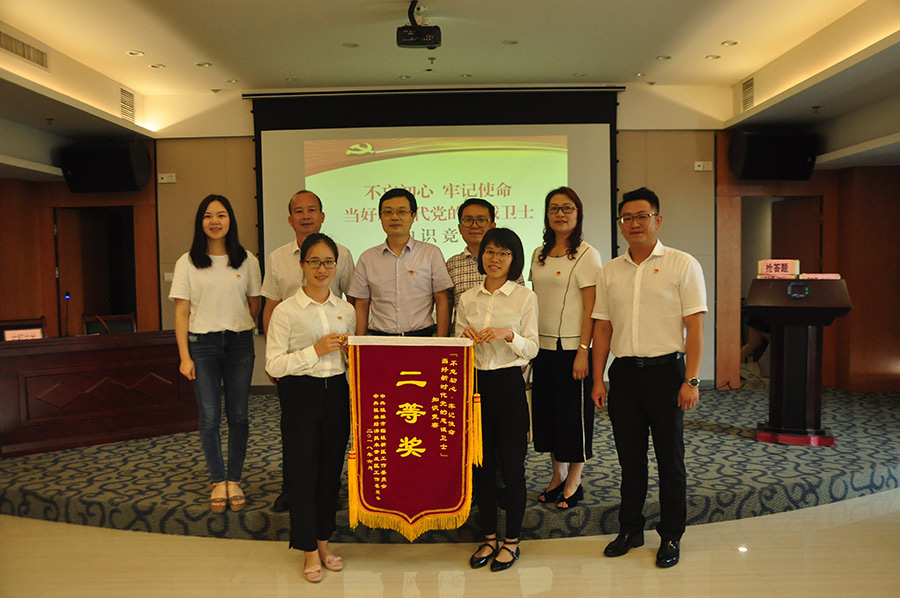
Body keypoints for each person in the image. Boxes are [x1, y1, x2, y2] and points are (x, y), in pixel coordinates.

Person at [590, 186, 707, 568]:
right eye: (627, 218)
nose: (635, 223)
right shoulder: (611, 271)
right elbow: (602, 328)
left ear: (658, 220)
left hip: (667, 374)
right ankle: (630, 528)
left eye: (642, 216)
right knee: (630, 460)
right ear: (620, 224)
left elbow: (696, 326)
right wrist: (598, 380)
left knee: (670, 460)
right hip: (624, 375)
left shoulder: (682, 264)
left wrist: (691, 380)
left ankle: (671, 534)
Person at [265, 233, 355, 584]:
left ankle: (324, 542)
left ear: (336, 266)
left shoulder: (345, 310)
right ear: (302, 265)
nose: (322, 269)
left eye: (328, 262)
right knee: (303, 474)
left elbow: (349, 362)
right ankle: (307, 550)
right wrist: (314, 351)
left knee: (330, 474)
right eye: (314, 262)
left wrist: (348, 355)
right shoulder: (286, 311)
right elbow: (274, 364)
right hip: (300, 394)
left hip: (337, 394)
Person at [260, 189, 354, 513]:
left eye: (312, 210)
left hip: (334, 373)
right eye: (299, 211)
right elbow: (270, 306)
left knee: (331, 446)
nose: (306, 216)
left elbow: (351, 300)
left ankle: (327, 494)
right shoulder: (278, 258)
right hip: (296, 366)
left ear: (322, 215)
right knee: (297, 441)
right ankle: (294, 491)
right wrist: (274, 357)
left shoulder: (343, 256)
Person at [170, 194, 261, 513]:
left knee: (238, 414)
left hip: (239, 345)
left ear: (230, 220)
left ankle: (234, 479)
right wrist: (184, 356)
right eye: (208, 216)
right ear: (200, 222)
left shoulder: (247, 260)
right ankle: (217, 480)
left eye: (221, 215)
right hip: (202, 345)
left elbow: (254, 304)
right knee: (209, 416)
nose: (215, 221)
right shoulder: (187, 262)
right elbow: (181, 312)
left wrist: (236, 324)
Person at [456, 228, 539, 572]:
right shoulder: (467, 298)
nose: (495, 259)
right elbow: (457, 346)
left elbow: (532, 348)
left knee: (513, 468)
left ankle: (512, 542)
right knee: (482, 467)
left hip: (508, 385)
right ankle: (489, 537)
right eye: (490, 252)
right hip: (476, 388)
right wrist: (463, 338)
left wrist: (509, 335)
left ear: (513, 259)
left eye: (503, 253)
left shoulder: (524, 297)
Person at [529, 187, 602, 509]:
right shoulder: (539, 254)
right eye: (554, 208)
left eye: (567, 208)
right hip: (542, 348)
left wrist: (584, 351)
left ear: (578, 213)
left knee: (574, 417)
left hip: (573, 350)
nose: (560, 214)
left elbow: (591, 308)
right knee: (548, 415)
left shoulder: (587, 255)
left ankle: (575, 479)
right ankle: (556, 475)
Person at [349, 188, 453, 337]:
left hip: (421, 338)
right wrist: (360, 343)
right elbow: (361, 304)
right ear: (380, 217)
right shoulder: (368, 258)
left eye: (402, 212)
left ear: (413, 215)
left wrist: (441, 343)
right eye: (388, 212)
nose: (394, 217)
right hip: (380, 339)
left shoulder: (430, 253)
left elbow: (442, 300)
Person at [446, 198, 525, 315]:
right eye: (468, 220)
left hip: (505, 326)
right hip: (464, 327)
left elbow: (521, 302)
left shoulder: (507, 261)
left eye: (481, 220)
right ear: (460, 228)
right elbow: (446, 307)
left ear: (493, 226)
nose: (474, 225)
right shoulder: (451, 264)